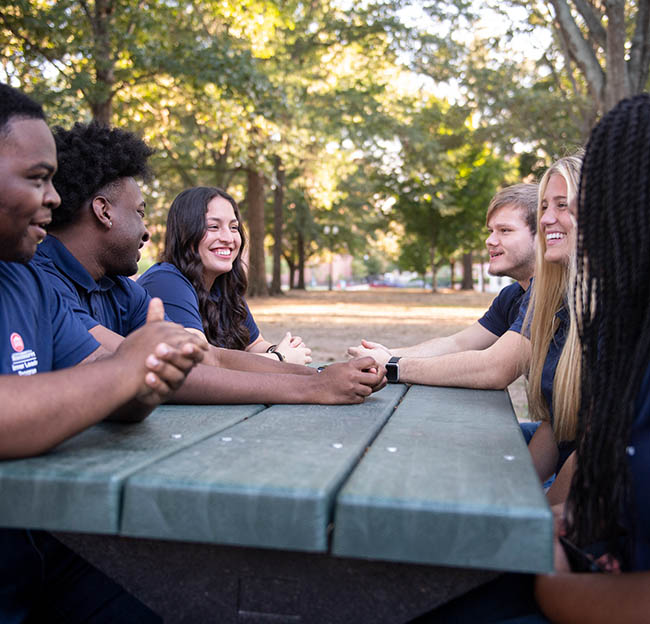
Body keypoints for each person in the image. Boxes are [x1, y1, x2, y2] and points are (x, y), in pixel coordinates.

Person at [412, 93, 650, 624]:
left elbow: (495, 368)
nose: (552, 219)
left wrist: (546, 563)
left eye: (569, 203)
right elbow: (576, 435)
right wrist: (545, 516)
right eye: (545, 206)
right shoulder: (611, 315)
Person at [0, 83, 205, 622]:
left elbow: (102, 379)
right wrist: (129, 369)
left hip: (44, 554)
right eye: (37, 179)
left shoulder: (27, 284)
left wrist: (147, 379)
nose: (53, 197)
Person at [35, 121, 384, 405]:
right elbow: (146, 370)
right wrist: (313, 390)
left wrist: (323, 375)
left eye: (233, 227)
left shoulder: (120, 289)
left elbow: (208, 358)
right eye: (140, 213)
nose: (145, 230)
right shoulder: (43, 282)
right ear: (103, 211)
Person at [347, 183, 538, 360]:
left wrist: (393, 366)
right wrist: (388, 355)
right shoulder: (512, 296)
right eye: (490, 231)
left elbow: (493, 368)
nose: (490, 241)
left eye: (505, 230)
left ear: (542, 237)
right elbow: (458, 344)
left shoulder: (553, 293)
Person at [138, 186, 311, 364]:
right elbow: (200, 359)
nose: (228, 238)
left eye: (234, 227)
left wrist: (277, 349)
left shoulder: (222, 285)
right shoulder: (165, 282)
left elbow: (253, 344)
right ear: (185, 232)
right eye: (213, 227)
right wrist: (279, 359)